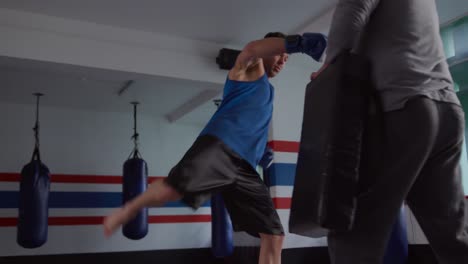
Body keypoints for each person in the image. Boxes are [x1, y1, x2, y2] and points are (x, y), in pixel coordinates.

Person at [103, 32, 327, 264]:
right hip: (220, 147)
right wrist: (298, 44)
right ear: (267, 52)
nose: (282, 61)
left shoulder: (269, 91)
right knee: (173, 190)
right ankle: (128, 211)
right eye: (280, 55)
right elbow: (252, 49)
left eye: (286, 59)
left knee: (274, 235)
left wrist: (259, 153)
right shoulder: (250, 72)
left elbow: (250, 123)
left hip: (245, 167)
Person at [313, 0, 468, 263]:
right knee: (451, 236)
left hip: (403, 106)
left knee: (353, 228)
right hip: (447, 111)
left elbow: (353, 6)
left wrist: (331, 66)